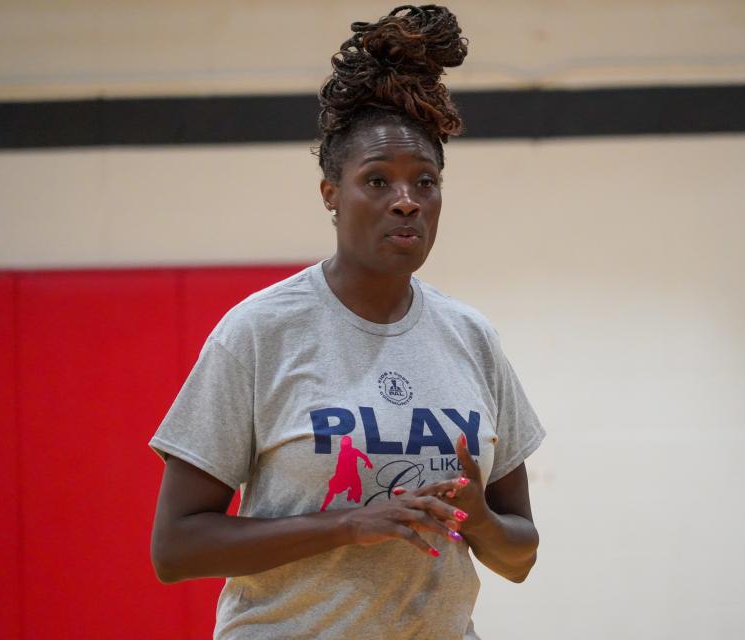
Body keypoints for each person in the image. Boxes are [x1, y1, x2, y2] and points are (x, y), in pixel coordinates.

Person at [149, 5, 545, 639]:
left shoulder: (472, 337)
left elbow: (519, 556)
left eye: (426, 181)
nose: (407, 199)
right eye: (378, 180)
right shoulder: (259, 332)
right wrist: (346, 524)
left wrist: (482, 522)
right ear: (331, 193)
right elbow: (176, 548)